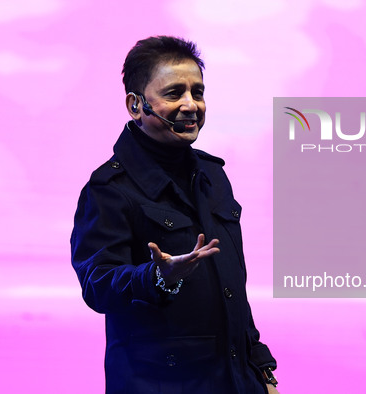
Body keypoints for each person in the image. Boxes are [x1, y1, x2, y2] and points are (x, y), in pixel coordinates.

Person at [71, 36, 278, 394]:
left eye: (197, 92)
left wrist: (261, 369)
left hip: (236, 382)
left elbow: (232, 290)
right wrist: (157, 276)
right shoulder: (108, 188)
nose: (190, 105)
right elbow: (97, 286)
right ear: (136, 105)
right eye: (173, 93)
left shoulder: (214, 175)